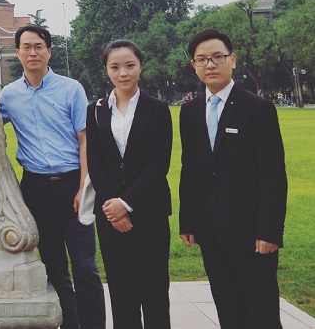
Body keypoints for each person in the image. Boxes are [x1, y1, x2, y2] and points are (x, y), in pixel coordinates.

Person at [0, 24, 106, 329]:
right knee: (54, 266)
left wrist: (84, 187)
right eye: (26, 47)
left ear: (48, 51)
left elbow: (85, 139)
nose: (33, 52)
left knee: (85, 266)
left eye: (39, 46)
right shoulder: (9, 95)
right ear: (17, 53)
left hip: (73, 184)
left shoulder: (70, 89)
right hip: (35, 190)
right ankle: (71, 323)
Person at [179, 29, 287, 329]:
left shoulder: (257, 108)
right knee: (227, 308)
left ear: (233, 60)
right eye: (202, 59)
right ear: (194, 66)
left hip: (252, 232)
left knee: (261, 312)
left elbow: (273, 175)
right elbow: (190, 169)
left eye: (218, 57)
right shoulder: (189, 112)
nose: (210, 64)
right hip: (210, 231)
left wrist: (270, 231)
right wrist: (188, 221)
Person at [86, 40, 172, 329]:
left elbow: (159, 163)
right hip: (110, 215)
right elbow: (95, 163)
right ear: (106, 70)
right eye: (115, 67)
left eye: (129, 65)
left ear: (140, 67)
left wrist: (127, 203)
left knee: (155, 292)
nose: (123, 73)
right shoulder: (96, 110)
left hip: (149, 213)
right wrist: (114, 207)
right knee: (121, 293)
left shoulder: (158, 109)